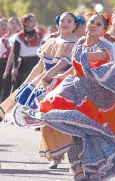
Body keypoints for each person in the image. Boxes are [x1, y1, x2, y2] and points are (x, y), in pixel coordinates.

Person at [12, 10, 115, 180]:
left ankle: (91, 169)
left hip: (96, 96)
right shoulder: (79, 44)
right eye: (91, 22)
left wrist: (87, 54)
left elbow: (99, 56)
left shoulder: (104, 46)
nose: (93, 25)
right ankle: (77, 170)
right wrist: (62, 76)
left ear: (103, 30)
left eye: (98, 24)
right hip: (75, 90)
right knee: (75, 129)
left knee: (91, 133)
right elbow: (75, 66)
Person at [12, 12, 80, 169]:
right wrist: (27, 82)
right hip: (46, 86)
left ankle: (73, 156)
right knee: (47, 120)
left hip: (66, 86)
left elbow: (68, 67)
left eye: (69, 21)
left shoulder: (76, 44)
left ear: (75, 25)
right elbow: (39, 67)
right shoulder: (51, 42)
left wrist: (55, 79)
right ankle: (54, 155)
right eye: (62, 20)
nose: (65, 23)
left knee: (64, 120)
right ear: (57, 24)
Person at [10, 14, 44, 93]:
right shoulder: (19, 37)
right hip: (23, 65)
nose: (33, 23)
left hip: (37, 62)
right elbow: (15, 53)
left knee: (36, 86)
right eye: (31, 21)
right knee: (21, 87)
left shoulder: (40, 36)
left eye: (34, 21)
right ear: (25, 23)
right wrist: (14, 67)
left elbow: (44, 49)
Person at [0, 17, 20, 102]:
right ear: (8, 25)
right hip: (4, 63)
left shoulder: (22, 37)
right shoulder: (3, 39)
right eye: (12, 23)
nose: (14, 25)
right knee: (5, 88)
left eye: (16, 23)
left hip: (18, 64)